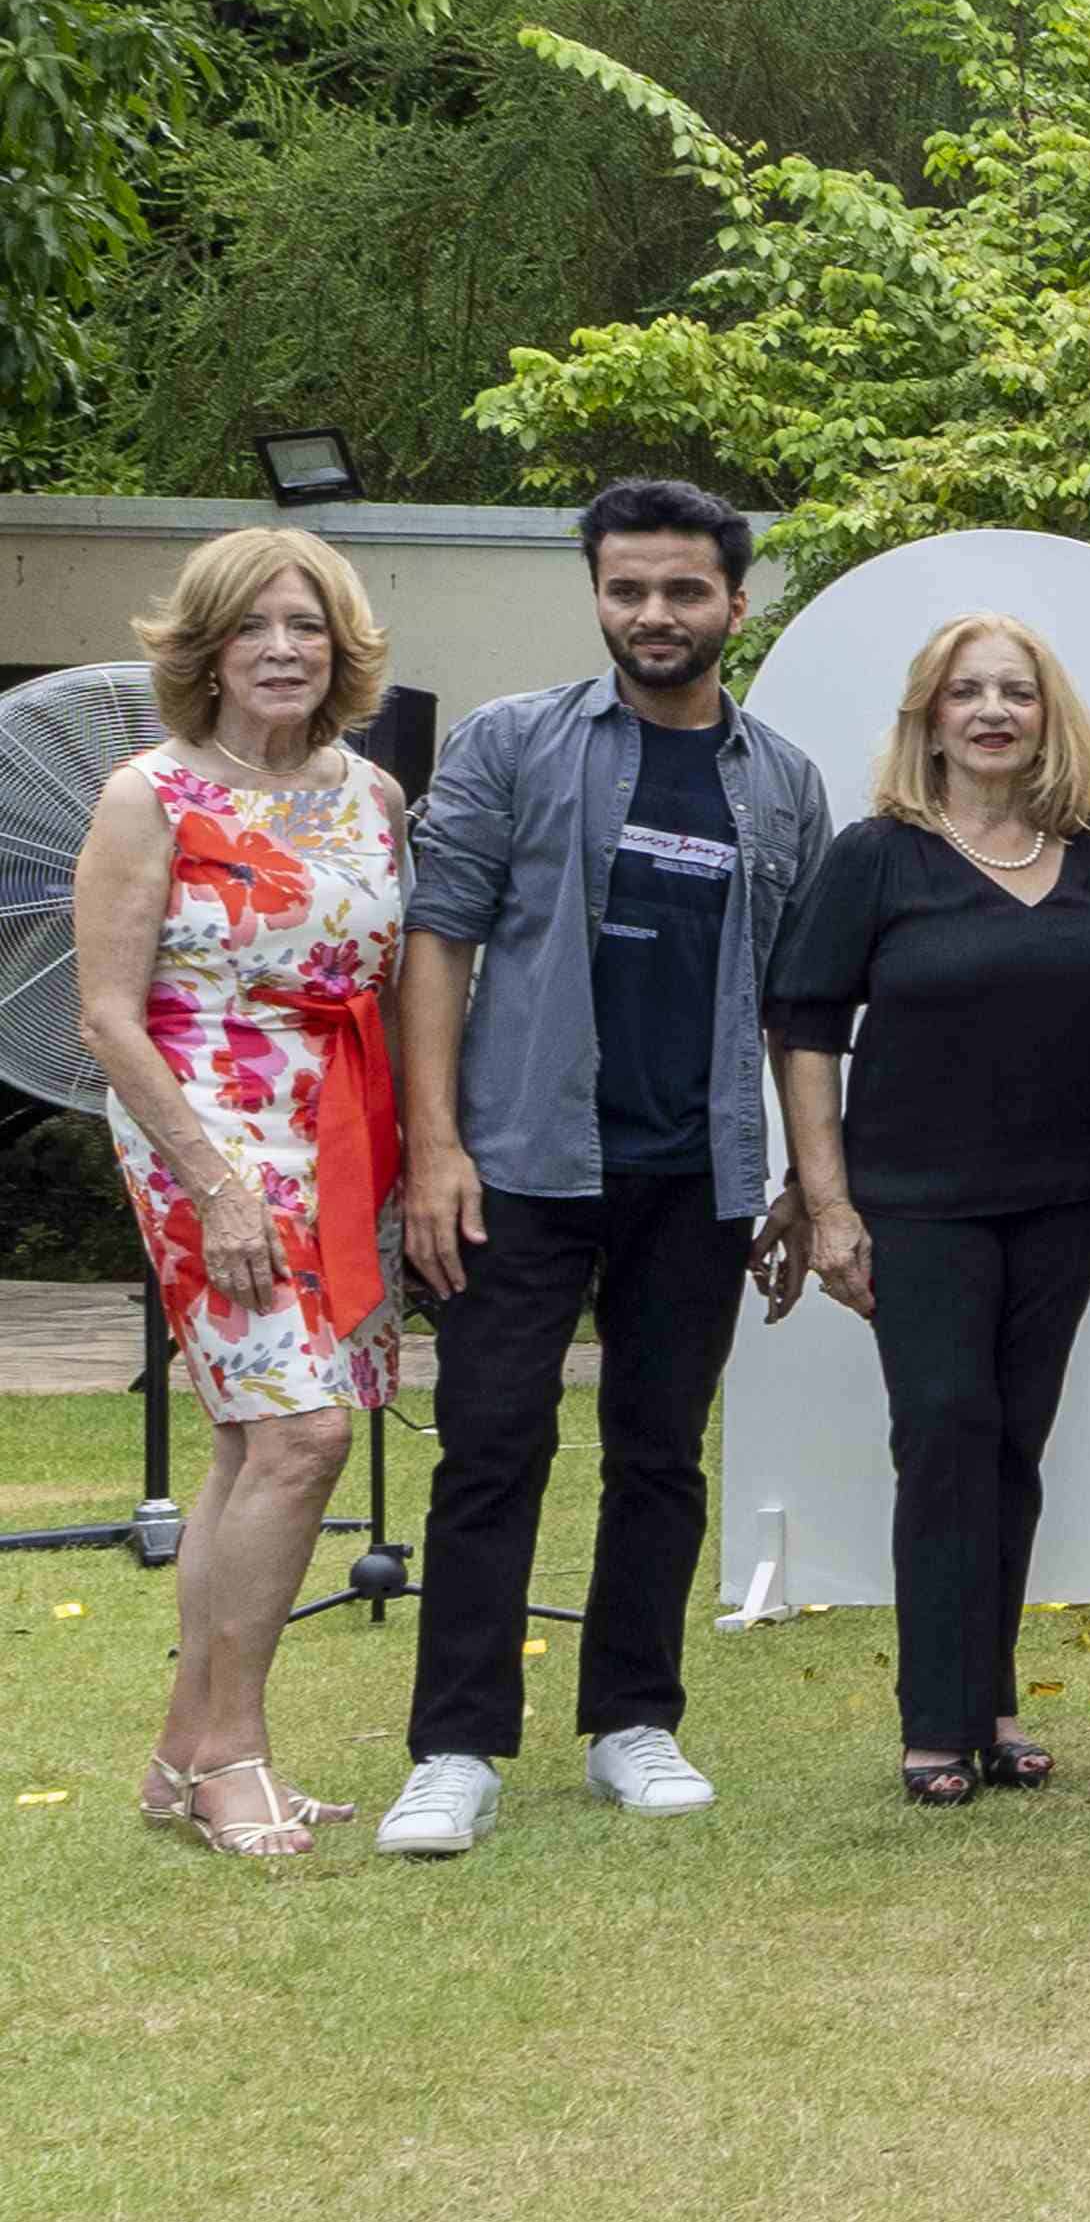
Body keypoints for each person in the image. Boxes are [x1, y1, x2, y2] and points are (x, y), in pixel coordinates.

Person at [377, 481, 828, 1858]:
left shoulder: (782, 780)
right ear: (598, 598)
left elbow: (793, 1008)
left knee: (660, 1456)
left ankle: (633, 1722)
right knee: (491, 1448)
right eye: (628, 589)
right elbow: (435, 945)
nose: (654, 615)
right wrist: (435, 1150)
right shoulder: (514, 747)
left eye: (683, 591)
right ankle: (455, 1751)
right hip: (516, 1163)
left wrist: (809, 1183)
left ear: (733, 606)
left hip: (695, 1174)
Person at [75, 528, 410, 1859]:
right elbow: (104, 1015)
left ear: (341, 648)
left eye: (308, 626)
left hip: (336, 1137)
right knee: (303, 1438)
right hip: (197, 1135)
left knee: (247, 1443)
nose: (283, 649)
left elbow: (382, 983)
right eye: (255, 627)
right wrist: (210, 1181)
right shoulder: (146, 796)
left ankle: (178, 1756)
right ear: (205, 648)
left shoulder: (371, 797)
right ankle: (236, 1759)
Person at [769, 615, 1090, 1809]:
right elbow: (806, 1030)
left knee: (1011, 1446)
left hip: (1061, 1204)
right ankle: (933, 1719)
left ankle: (989, 1704)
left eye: (1014, 692)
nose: (990, 710)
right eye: (964, 692)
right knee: (941, 1428)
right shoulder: (876, 855)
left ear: (1047, 714)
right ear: (928, 717)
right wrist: (827, 1205)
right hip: (914, 1204)